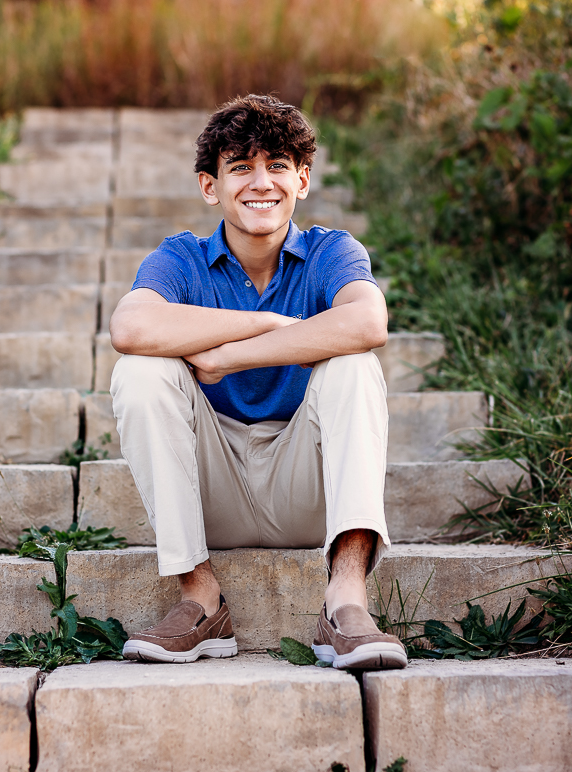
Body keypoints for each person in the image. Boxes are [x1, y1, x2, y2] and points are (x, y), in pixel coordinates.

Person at [108, 94, 407, 670]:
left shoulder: (330, 251)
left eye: (276, 165)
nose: (260, 182)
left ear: (303, 178)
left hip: (306, 490)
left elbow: (369, 322)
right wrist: (267, 323)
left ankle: (345, 601)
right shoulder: (182, 259)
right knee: (141, 370)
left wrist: (231, 357)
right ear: (209, 186)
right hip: (211, 488)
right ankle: (200, 597)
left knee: (354, 364)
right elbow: (130, 325)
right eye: (240, 167)